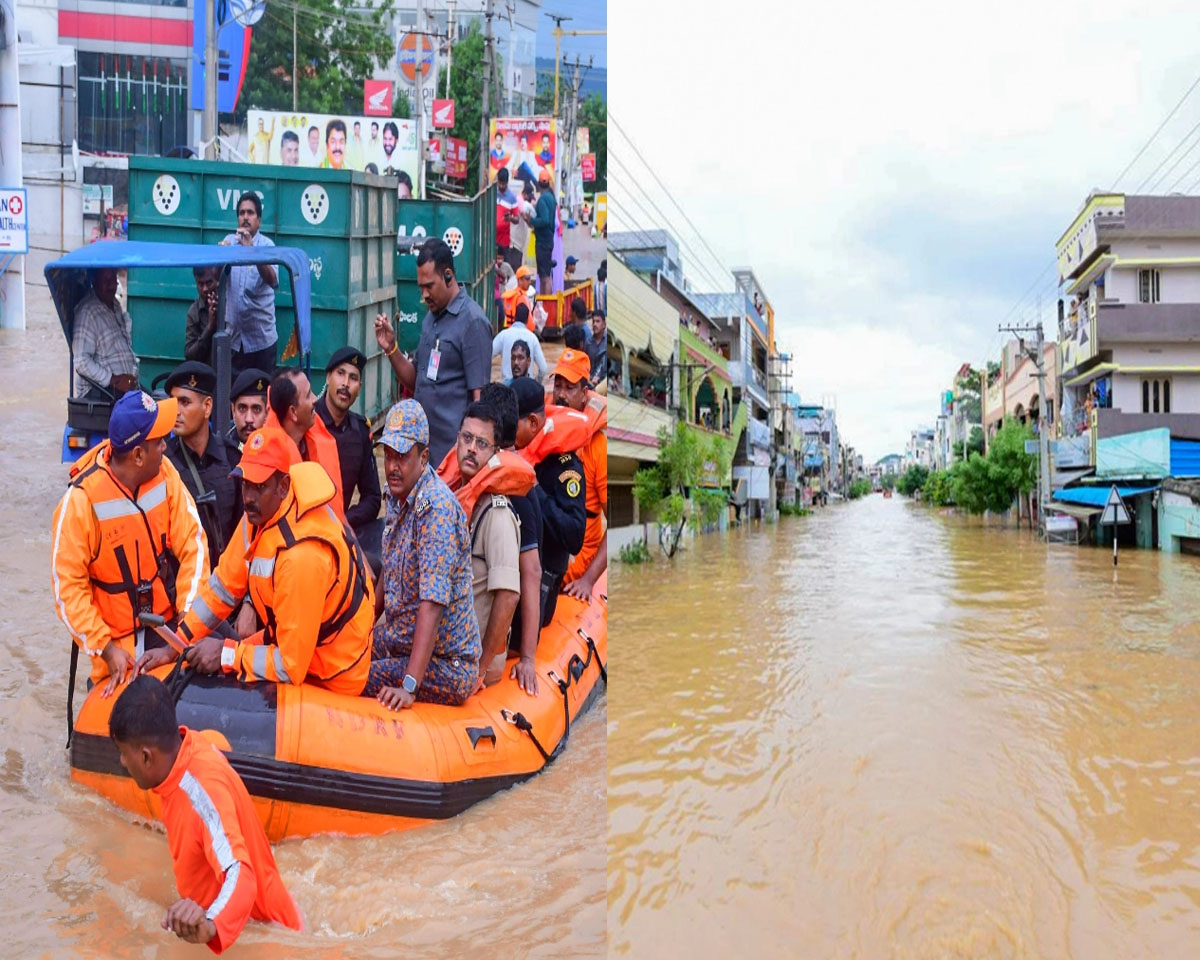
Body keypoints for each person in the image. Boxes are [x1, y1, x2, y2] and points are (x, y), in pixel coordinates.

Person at [148, 427, 374, 695]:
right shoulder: (260, 514)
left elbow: (290, 667)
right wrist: (175, 645)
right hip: (297, 641)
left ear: (283, 486)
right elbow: (222, 588)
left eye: (259, 486)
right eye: (245, 484)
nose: (248, 497)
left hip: (333, 668)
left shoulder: (301, 555)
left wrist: (226, 655)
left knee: (228, 659)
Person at [109, 677, 302, 952]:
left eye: (123, 753)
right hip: (253, 923)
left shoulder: (200, 792)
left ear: (146, 757)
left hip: (267, 938)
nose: (122, 762)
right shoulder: (188, 748)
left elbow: (241, 874)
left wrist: (210, 924)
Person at [51, 391, 207, 697]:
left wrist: (187, 625)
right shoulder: (81, 502)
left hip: (166, 630)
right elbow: (67, 589)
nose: (166, 446)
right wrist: (106, 649)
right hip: (115, 648)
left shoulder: (165, 474)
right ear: (137, 455)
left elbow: (194, 544)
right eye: (159, 441)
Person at [364, 400, 480, 708]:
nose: (391, 466)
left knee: (353, 676)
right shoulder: (397, 495)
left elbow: (432, 603)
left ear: (423, 457)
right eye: (387, 455)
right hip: (398, 642)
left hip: (446, 665)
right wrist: (361, 631)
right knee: (338, 653)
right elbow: (387, 573)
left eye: (401, 457)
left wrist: (409, 686)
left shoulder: (436, 510)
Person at [436, 401, 535, 688]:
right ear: (457, 440)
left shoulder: (498, 515)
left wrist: (479, 669)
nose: (471, 449)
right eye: (466, 439)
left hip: (474, 657)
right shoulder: (453, 497)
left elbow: (508, 596)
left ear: (494, 453)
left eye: (482, 443)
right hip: (449, 644)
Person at [373, 238, 493, 466]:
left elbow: (481, 401)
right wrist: (391, 348)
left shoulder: (472, 322)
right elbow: (416, 380)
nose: (424, 295)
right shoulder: (431, 319)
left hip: (452, 460)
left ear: (448, 275)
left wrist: (469, 461)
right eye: (421, 288)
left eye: (429, 286)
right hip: (424, 454)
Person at [478, 383, 541, 695]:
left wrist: (527, 657)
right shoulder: (476, 478)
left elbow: (531, 573)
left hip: (503, 631)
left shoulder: (517, 493)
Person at [512, 378, 586, 628]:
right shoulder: (513, 452)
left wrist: (535, 491)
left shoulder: (566, 468)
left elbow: (575, 536)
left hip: (542, 582)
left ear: (532, 422)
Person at [164, 361, 243, 560]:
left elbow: (243, 529)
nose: (177, 411)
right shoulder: (164, 463)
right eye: (173, 402)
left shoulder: (232, 458)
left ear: (207, 406)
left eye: (185, 402)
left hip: (225, 579)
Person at [550, 350, 608, 601]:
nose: (561, 395)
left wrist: (588, 580)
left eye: (570, 388)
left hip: (576, 569)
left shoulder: (597, 447)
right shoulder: (544, 431)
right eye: (558, 386)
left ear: (585, 394)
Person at [315, 346, 382, 538]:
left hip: (339, 532)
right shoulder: (308, 421)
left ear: (359, 388)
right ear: (328, 377)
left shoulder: (360, 432)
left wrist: (344, 519)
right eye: (340, 374)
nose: (345, 384)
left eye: (353, 378)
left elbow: (373, 498)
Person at [265, 367, 345, 521]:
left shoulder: (315, 440)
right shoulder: (273, 468)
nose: (316, 399)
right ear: (293, 413)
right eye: (309, 395)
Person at [220, 192, 279, 375]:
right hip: (233, 341)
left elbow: (273, 280)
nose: (245, 217)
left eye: (250, 213)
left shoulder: (267, 246)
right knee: (232, 399)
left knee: (261, 398)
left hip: (261, 342)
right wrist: (220, 256)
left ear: (259, 220)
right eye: (241, 213)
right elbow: (214, 280)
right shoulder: (228, 242)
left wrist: (252, 252)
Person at [72, 267, 139, 399]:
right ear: (95, 281)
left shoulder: (114, 304)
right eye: (106, 280)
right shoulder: (87, 313)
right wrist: (114, 380)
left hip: (124, 389)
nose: (111, 285)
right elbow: (81, 362)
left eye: (113, 279)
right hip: (103, 393)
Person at [183, 266, 221, 363]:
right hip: (207, 373)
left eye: (209, 283)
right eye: (200, 284)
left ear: (218, 281)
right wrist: (210, 328)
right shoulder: (194, 312)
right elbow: (190, 356)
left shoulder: (230, 303)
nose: (204, 289)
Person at [228, 368, 269, 448]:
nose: (248, 419)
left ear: (267, 413)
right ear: (233, 410)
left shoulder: (278, 453)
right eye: (242, 409)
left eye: (256, 410)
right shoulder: (221, 455)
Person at [531, 170, 557, 295]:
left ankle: (545, 304)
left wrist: (531, 220)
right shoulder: (551, 198)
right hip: (549, 241)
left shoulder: (542, 200)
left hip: (542, 242)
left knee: (544, 277)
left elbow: (545, 220)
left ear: (538, 184)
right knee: (545, 275)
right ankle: (545, 303)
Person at [495, 168, 521, 271]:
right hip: (491, 239)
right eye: (500, 183)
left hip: (504, 241)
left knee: (503, 268)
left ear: (507, 182)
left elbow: (517, 219)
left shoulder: (512, 198)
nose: (501, 186)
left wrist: (510, 218)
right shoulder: (492, 193)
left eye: (503, 184)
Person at [588, 309, 608, 386]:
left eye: (598, 321)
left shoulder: (607, 342)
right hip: (590, 382)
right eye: (593, 322)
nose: (595, 324)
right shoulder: (588, 342)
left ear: (604, 324)